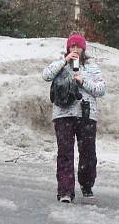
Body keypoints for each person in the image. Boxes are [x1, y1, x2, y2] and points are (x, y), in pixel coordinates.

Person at [42, 33, 106, 203]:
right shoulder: (60, 64)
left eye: (78, 47)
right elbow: (46, 75)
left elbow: (101, 89)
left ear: (84, 49)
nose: (75, 50)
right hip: (63, 114)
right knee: (65, 153)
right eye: (72, 47)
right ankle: (65, 191)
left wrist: (83, 82)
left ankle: (86, 184)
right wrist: (64, 61)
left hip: (86, 115)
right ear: (68, 49)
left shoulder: (92, 67)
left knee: (88, 153)